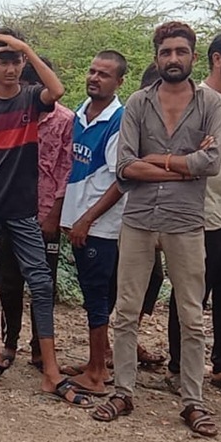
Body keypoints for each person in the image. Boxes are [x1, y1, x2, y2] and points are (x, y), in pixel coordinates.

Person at [91, 21, 221, 437]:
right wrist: (185, 164)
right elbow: (125, 166)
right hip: (140, 220)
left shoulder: (209, 105)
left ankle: (192, 400)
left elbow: (213, 163)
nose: (173, 59)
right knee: (127, 311)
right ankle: (124, 391)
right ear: (156, 57)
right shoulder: (137, 103)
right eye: (166, 52)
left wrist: (161, 161)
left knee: (192, 316)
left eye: (180, 52)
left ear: (192, 56)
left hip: (185, 223)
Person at [0, 29, 90, 407]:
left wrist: (27, 49)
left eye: (16, 61)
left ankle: (51, 371)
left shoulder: (33, 99)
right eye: (4, 61)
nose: (11, 68)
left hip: (22, 210)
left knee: (41, 283)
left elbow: (59, 91)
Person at [162, 27, 221, 401]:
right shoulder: (199, 100)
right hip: (203, 214)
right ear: (218, 60)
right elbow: (185, 153)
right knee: (191, 294)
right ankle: (178, 366)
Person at [60, 50, 129, 395]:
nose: (94, 78)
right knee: (94, 293)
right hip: (78, 221)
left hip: (101, 226)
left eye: (104, 74)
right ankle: (95, 360)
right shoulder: (78, 114)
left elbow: (121, 180)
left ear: (119, 82)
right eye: (92, 70)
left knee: (97, 296)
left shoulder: (119, 121)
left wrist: (86, 219)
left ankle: (98, 372)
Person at [0, 57, 73, 370]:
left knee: (43, 283)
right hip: (10, 209)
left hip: (44, 215)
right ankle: (10, 341)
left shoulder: (65, 120)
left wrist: (55, 213)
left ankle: (40, 347)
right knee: (10, 282)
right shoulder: (12, 115)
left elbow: (67, 169)